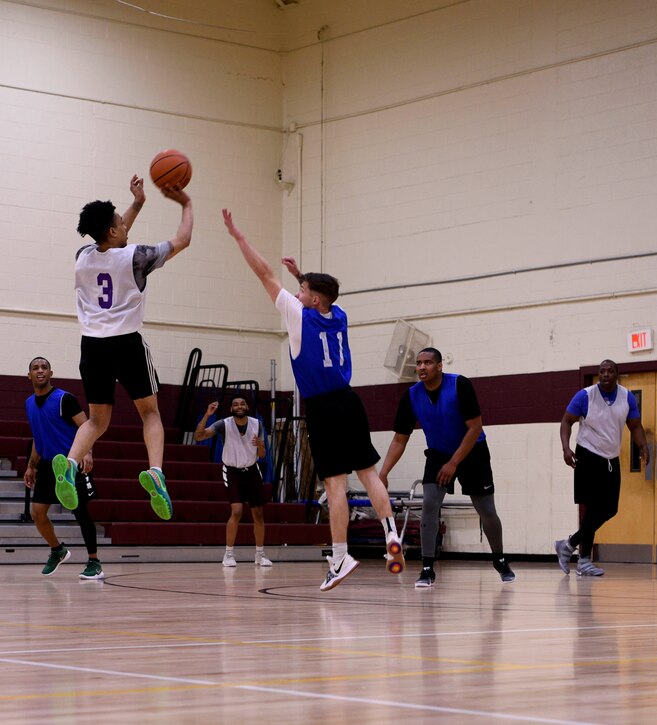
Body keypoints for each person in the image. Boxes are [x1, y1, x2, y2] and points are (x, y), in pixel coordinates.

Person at [221, 208, 403, 591]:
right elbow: (319, 296)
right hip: (351, 402)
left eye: (303, 290)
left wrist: (239, 237)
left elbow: (264, 275)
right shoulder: (339, 314)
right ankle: (392, 535)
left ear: (313, 299)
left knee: (335, 485)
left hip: (322, 407)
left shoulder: (298, 316)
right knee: (369, 474)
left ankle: (340, 557)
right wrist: (301, 274)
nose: (296, 293)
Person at [53, 175, 193, 522]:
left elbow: (110, 240)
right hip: (126, 344)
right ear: (114, 231)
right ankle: (157, 473)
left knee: (97, 420)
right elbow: (183, 239)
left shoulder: (82, 256)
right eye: (119, 222)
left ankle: (70, 464)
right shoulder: (139, 257)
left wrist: (138, 203)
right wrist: (186, 204)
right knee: (150, 413)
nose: (124, 225)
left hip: (92, 347)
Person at [378, 348, 515, 588]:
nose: (421, 367)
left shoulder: (460, 385)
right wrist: (383, 473)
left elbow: (475, 427)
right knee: (430, 504)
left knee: (487, 510)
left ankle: (500, 559)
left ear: (439, 366)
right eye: (418, 363)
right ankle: (427, 568)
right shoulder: (410, 396)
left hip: (473, 451)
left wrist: (454, 463)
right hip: (438, 454)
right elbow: (400, 438)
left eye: (428, 362)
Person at [556, 359, 649, 576]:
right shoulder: (585, 396)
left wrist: (643, 446)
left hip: (611, 458)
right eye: (602, 371)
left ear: (617, 374)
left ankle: (568, 545)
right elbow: (566, 422)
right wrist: (566, 449)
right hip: (587, 454)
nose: (605, 374)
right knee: (591, 507)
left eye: (610, 371)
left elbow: (635, 426)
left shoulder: (627, 397)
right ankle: (584, 561)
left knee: (609, 508)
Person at [23, 357, 103, 580]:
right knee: (37, 514)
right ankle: (57, 550)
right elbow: (38, 438)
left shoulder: (64, 399)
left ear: (51, 373)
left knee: (81, 513)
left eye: (44, 367)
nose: (40, 371)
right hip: (48, 465)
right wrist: (31, 466)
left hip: (70, 464)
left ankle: (94, 562)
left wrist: (87, 452)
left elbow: (88, 426)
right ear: (29, 375)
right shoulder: (29, 403)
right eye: (35, 368)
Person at [194, 397, 272, 568]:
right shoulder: (223, 424)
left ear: (247, 406)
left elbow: (262, 454)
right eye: (235, 404)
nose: (239, 406)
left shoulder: (257, 424)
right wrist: (207, 415)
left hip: (251, 470)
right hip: (232, 471)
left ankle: (260, 554)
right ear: (231, 408)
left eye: (242, 403)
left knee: (258, 513)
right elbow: (199, 436)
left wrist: (260, 445)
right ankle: (228, 553)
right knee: (236, 511)